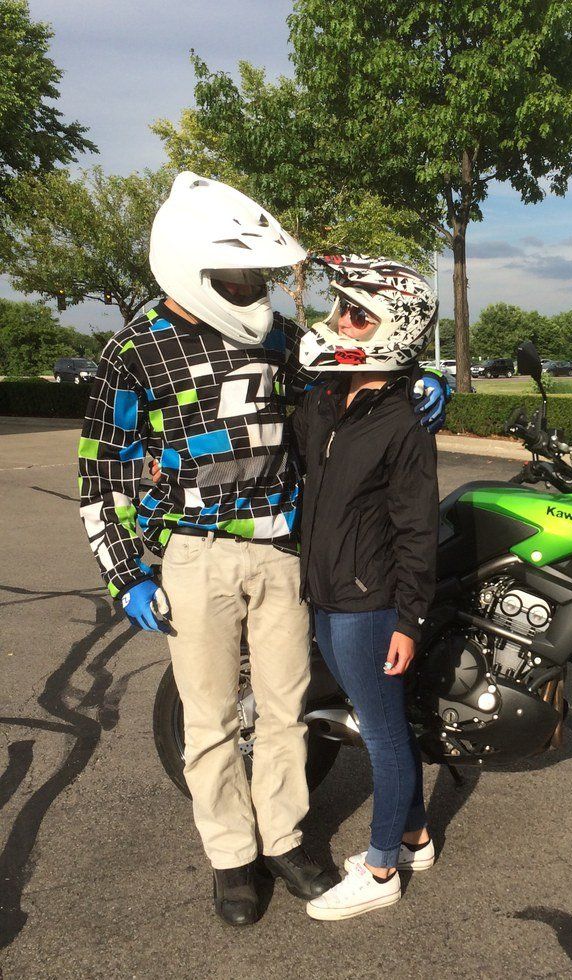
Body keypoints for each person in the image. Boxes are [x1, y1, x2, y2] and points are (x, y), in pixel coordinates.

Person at [78, 174, 448, 926]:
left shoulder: (278, 337)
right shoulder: (136, 349)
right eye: (238, 275)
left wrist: (422, 378)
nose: (253, 289)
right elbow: (102, 468)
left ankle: (283, 839)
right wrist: (125, 572)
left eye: (257, 276)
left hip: (285, 551)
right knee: (211, 719)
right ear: (194, 266)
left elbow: (359, 376)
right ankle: (231, 859)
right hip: (196, 554)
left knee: (286, 712)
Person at [291, 256, 439, 921]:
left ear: (393, 328)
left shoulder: (403, 422)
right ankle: (415, 837)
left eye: (356, 313)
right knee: (381, 720)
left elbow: (416, 529)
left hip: (369, 604)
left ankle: (381, 869)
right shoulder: (328, 398)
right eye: (340, 307)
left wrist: (409, 620)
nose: (338, 321)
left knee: (382, 732)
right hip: (324, 593)